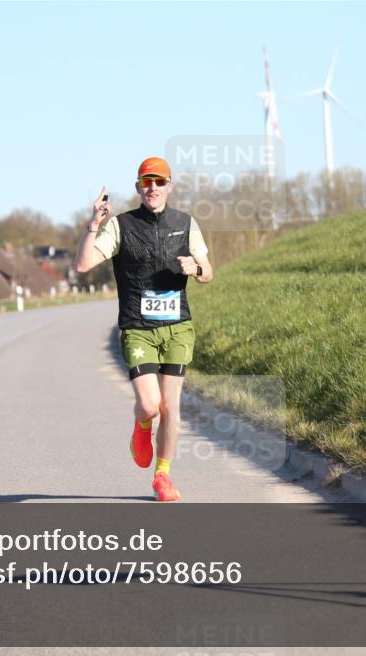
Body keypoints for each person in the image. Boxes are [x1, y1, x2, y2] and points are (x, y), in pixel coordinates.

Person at [74, 157, 213, 501]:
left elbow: (209, 272)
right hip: (138, 329)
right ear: (138, 188)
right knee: (150, 406)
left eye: (159, 182)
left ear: (170, 186)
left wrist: (195, 267)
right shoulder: (121, 226)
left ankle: (162, 477)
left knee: (171, 405)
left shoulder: (186, 223)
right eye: (146, 183)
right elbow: (83, 264)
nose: (152, 188)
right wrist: (94, 224)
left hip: (178, 328)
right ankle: (142, 425)